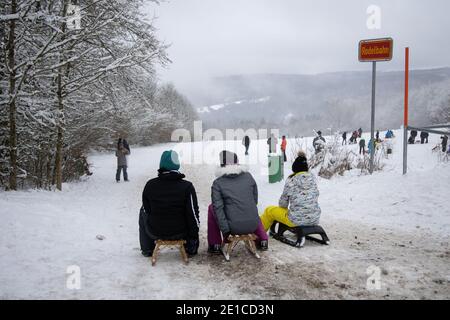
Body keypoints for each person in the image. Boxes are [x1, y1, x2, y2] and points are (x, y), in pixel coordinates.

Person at [139, 150, 200, 257]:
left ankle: (147, 248)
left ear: (161, 165)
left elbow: (147, 210)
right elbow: (193, 215)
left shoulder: (150, 185)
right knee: (191, 213)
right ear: (177, 165)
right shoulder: (187, 186)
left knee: (143, 210)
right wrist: (194, 238)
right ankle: (190, 247)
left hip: (155, 231)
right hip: (181, 231)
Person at [208, 151, 268, 253]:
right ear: (237, 161)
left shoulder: (218, 183)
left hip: (233, 227)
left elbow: (218, 208)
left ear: (222, 164)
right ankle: (263, 239)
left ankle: (215, 244)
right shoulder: (248, 176)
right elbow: (254, 201)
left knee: (212, 207)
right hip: (253, 224)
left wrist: (226, 232)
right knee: (248, 205)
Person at [260, 151, 321, 232]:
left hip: (295, 220)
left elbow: (283, 204)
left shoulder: (291, 180)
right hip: (315, 218)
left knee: (269, 210)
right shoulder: (313, 179)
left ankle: (258, 233)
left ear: (294, 168)